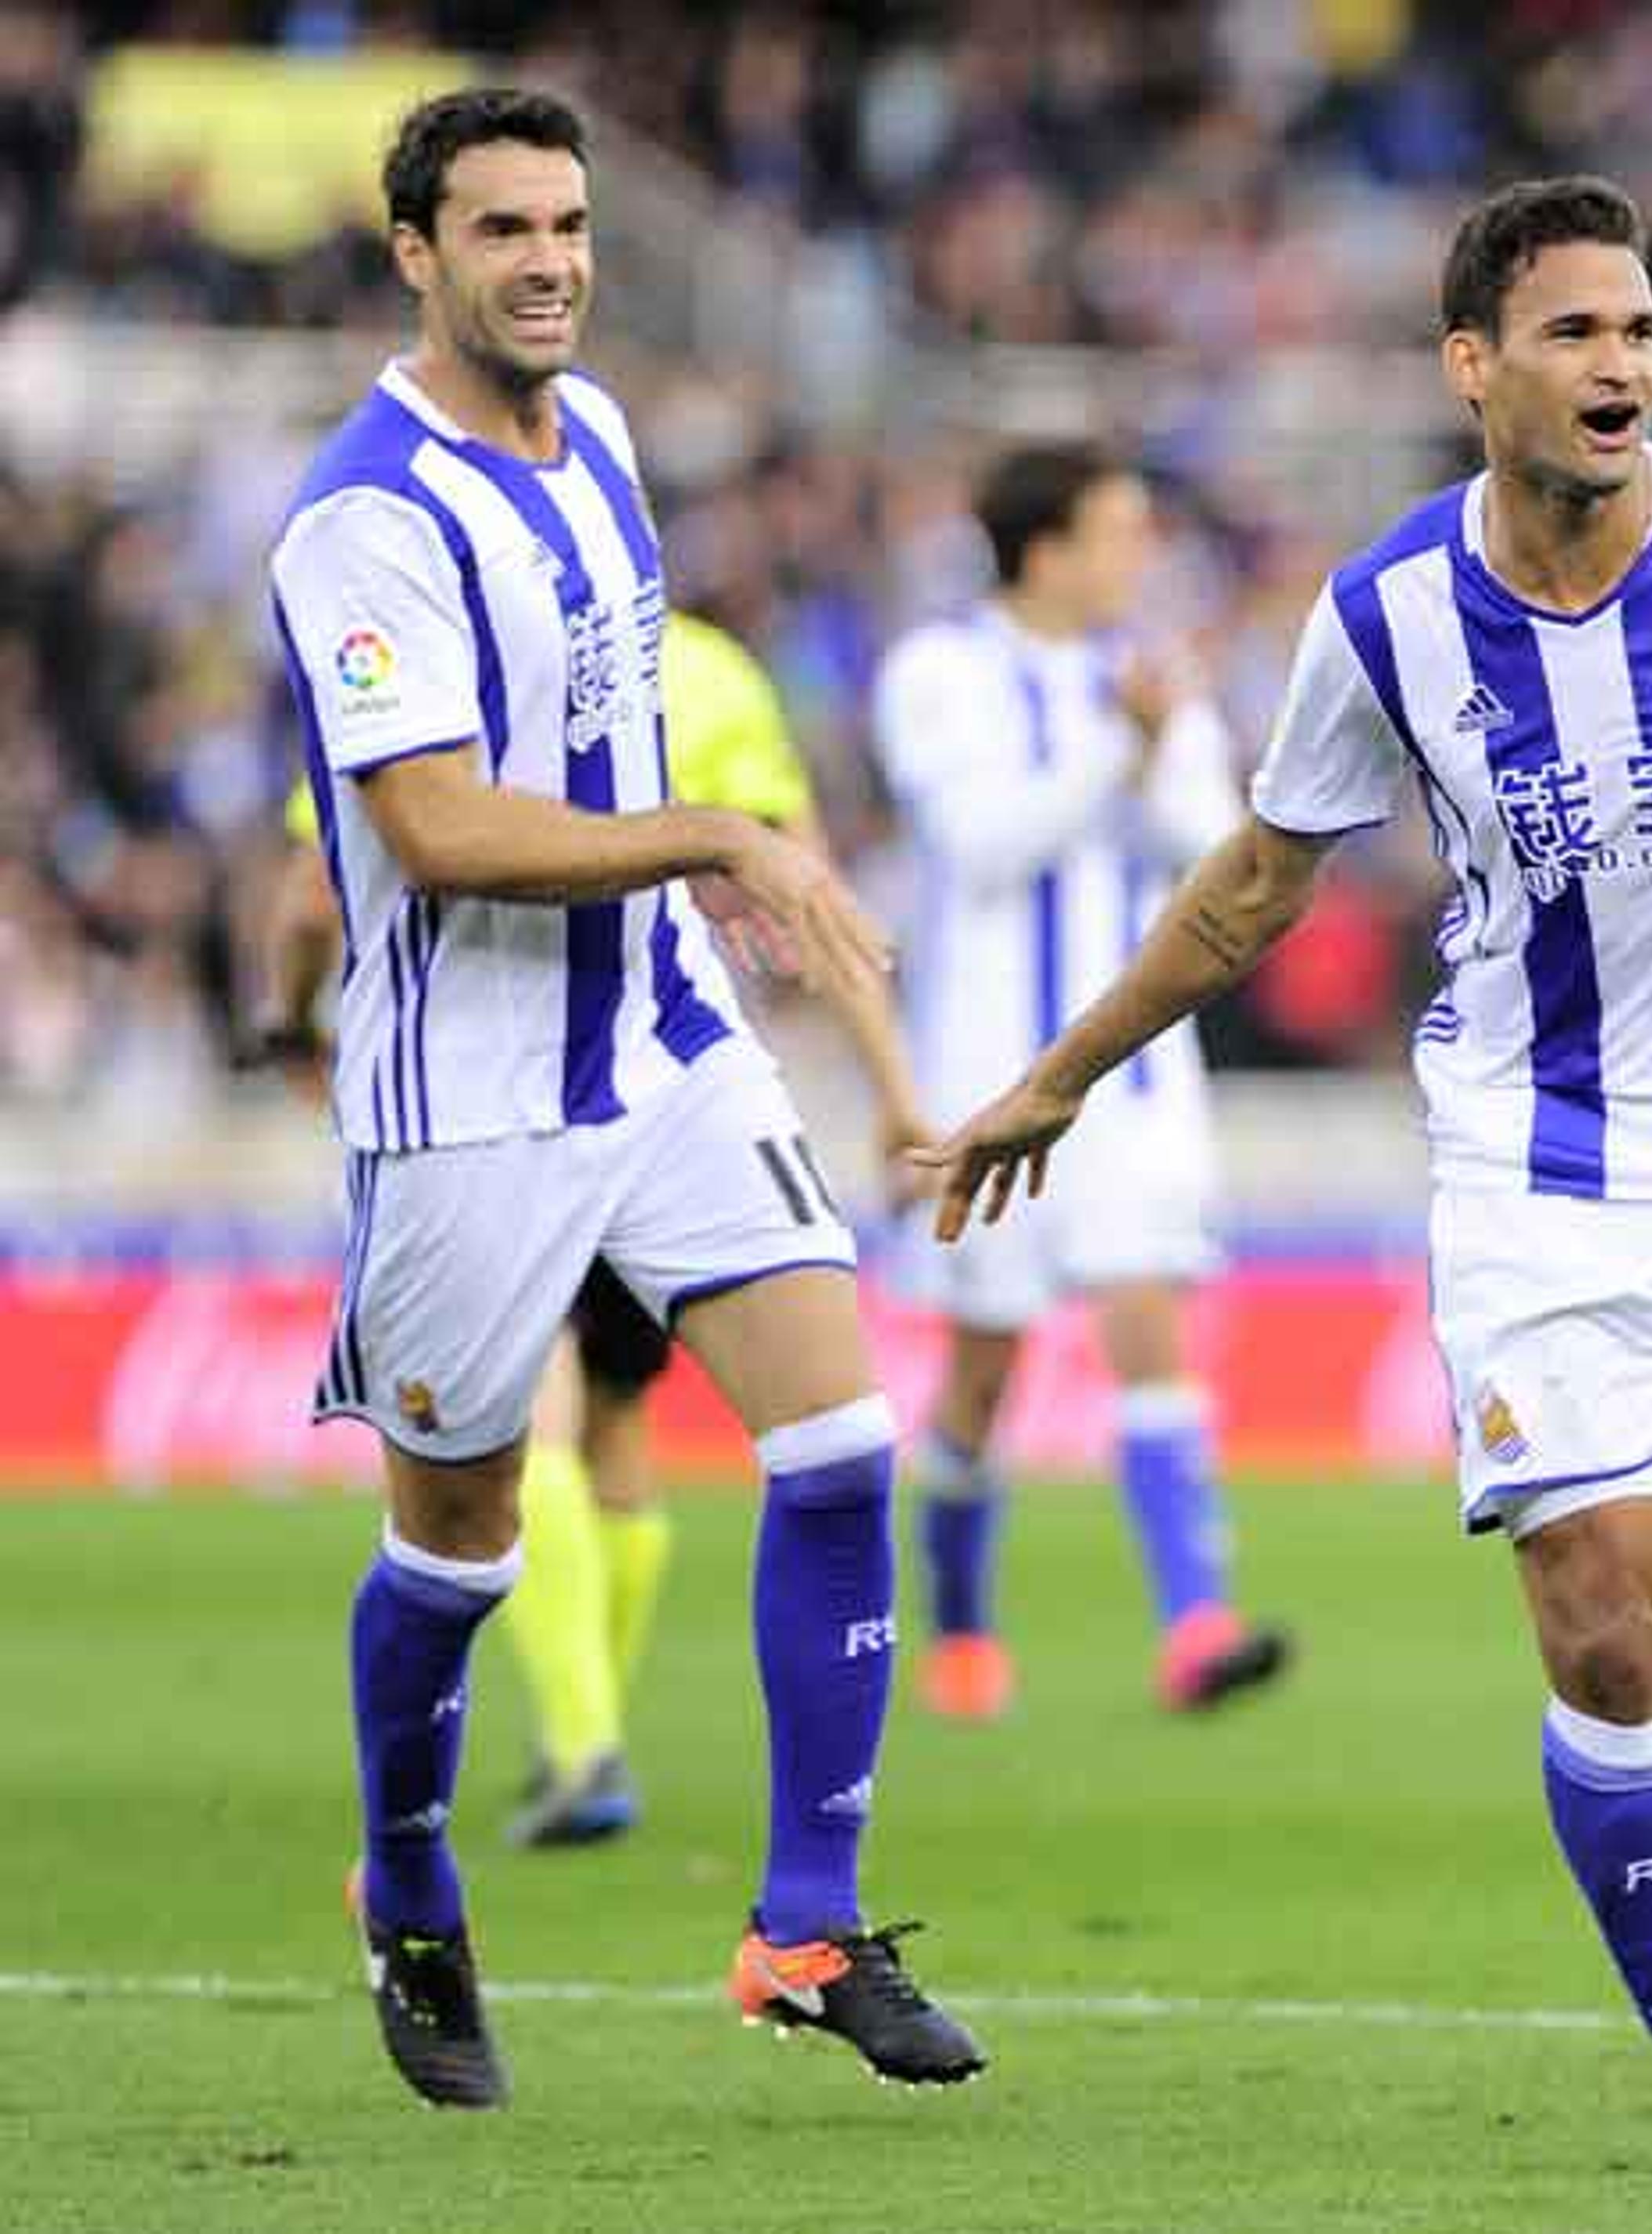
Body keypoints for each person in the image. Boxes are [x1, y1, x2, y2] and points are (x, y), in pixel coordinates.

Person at [914, 176, 1652, 2182]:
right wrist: (1056, 1079)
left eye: (1640, 331)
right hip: (1534, 1161)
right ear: (1473, 368)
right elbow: (1253, 883)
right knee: (1599, 1618)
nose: (1621, 366)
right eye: (1574, 334)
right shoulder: (1385, 615)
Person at [266, 86, 979, 2108]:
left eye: (569, 222)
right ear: (415, 252)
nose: (552, 259)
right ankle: (408, 1873)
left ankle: (805, 1923)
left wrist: (738, 898)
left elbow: (613, 747)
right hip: (467, 1097)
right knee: (463, 1550)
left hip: (660, 1041)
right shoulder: (367, 519)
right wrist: (721, 846)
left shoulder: (611, 451)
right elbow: (436, 829)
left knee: (839, 1444)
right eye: (502, 229)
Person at [260, 609, 934, 1850]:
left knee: (542, 1424)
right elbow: (814, 909)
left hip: (495, 1097)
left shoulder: (432, 665)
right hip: (670, 1086)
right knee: (627, 1426)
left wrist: (288, 1016)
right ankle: (592, 1721)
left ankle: (581, 1740)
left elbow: (316, 886)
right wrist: (894, 1092)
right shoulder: (714, 672)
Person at [874, 444, 1292, 1723]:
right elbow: (977, 846)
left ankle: (1196, 1625)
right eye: (1117, 534)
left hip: (1140, 1079)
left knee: (1147, 1327)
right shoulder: (940, 672)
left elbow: (1222, 854)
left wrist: (1157, 749)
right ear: (1044, 549)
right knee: (984, 1370)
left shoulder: (1154, 676)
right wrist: (1120, 754)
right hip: (986, 1076)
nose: (1140, 559)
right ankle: (961, 1627)